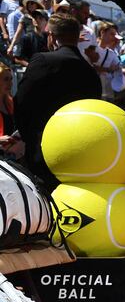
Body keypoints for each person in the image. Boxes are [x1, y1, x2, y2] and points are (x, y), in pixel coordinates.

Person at [14, 13, 101, 190]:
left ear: (52, 37)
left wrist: (27, 138)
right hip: (78, 154)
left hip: (42, 151)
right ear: (77, 38)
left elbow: (22, 101)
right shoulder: (91, 73)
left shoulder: (43, 60)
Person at [0, 62, 20, 159]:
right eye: (6, 79)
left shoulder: (11, 102)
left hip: (11, 156)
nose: (11, 83)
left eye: (11, 79)